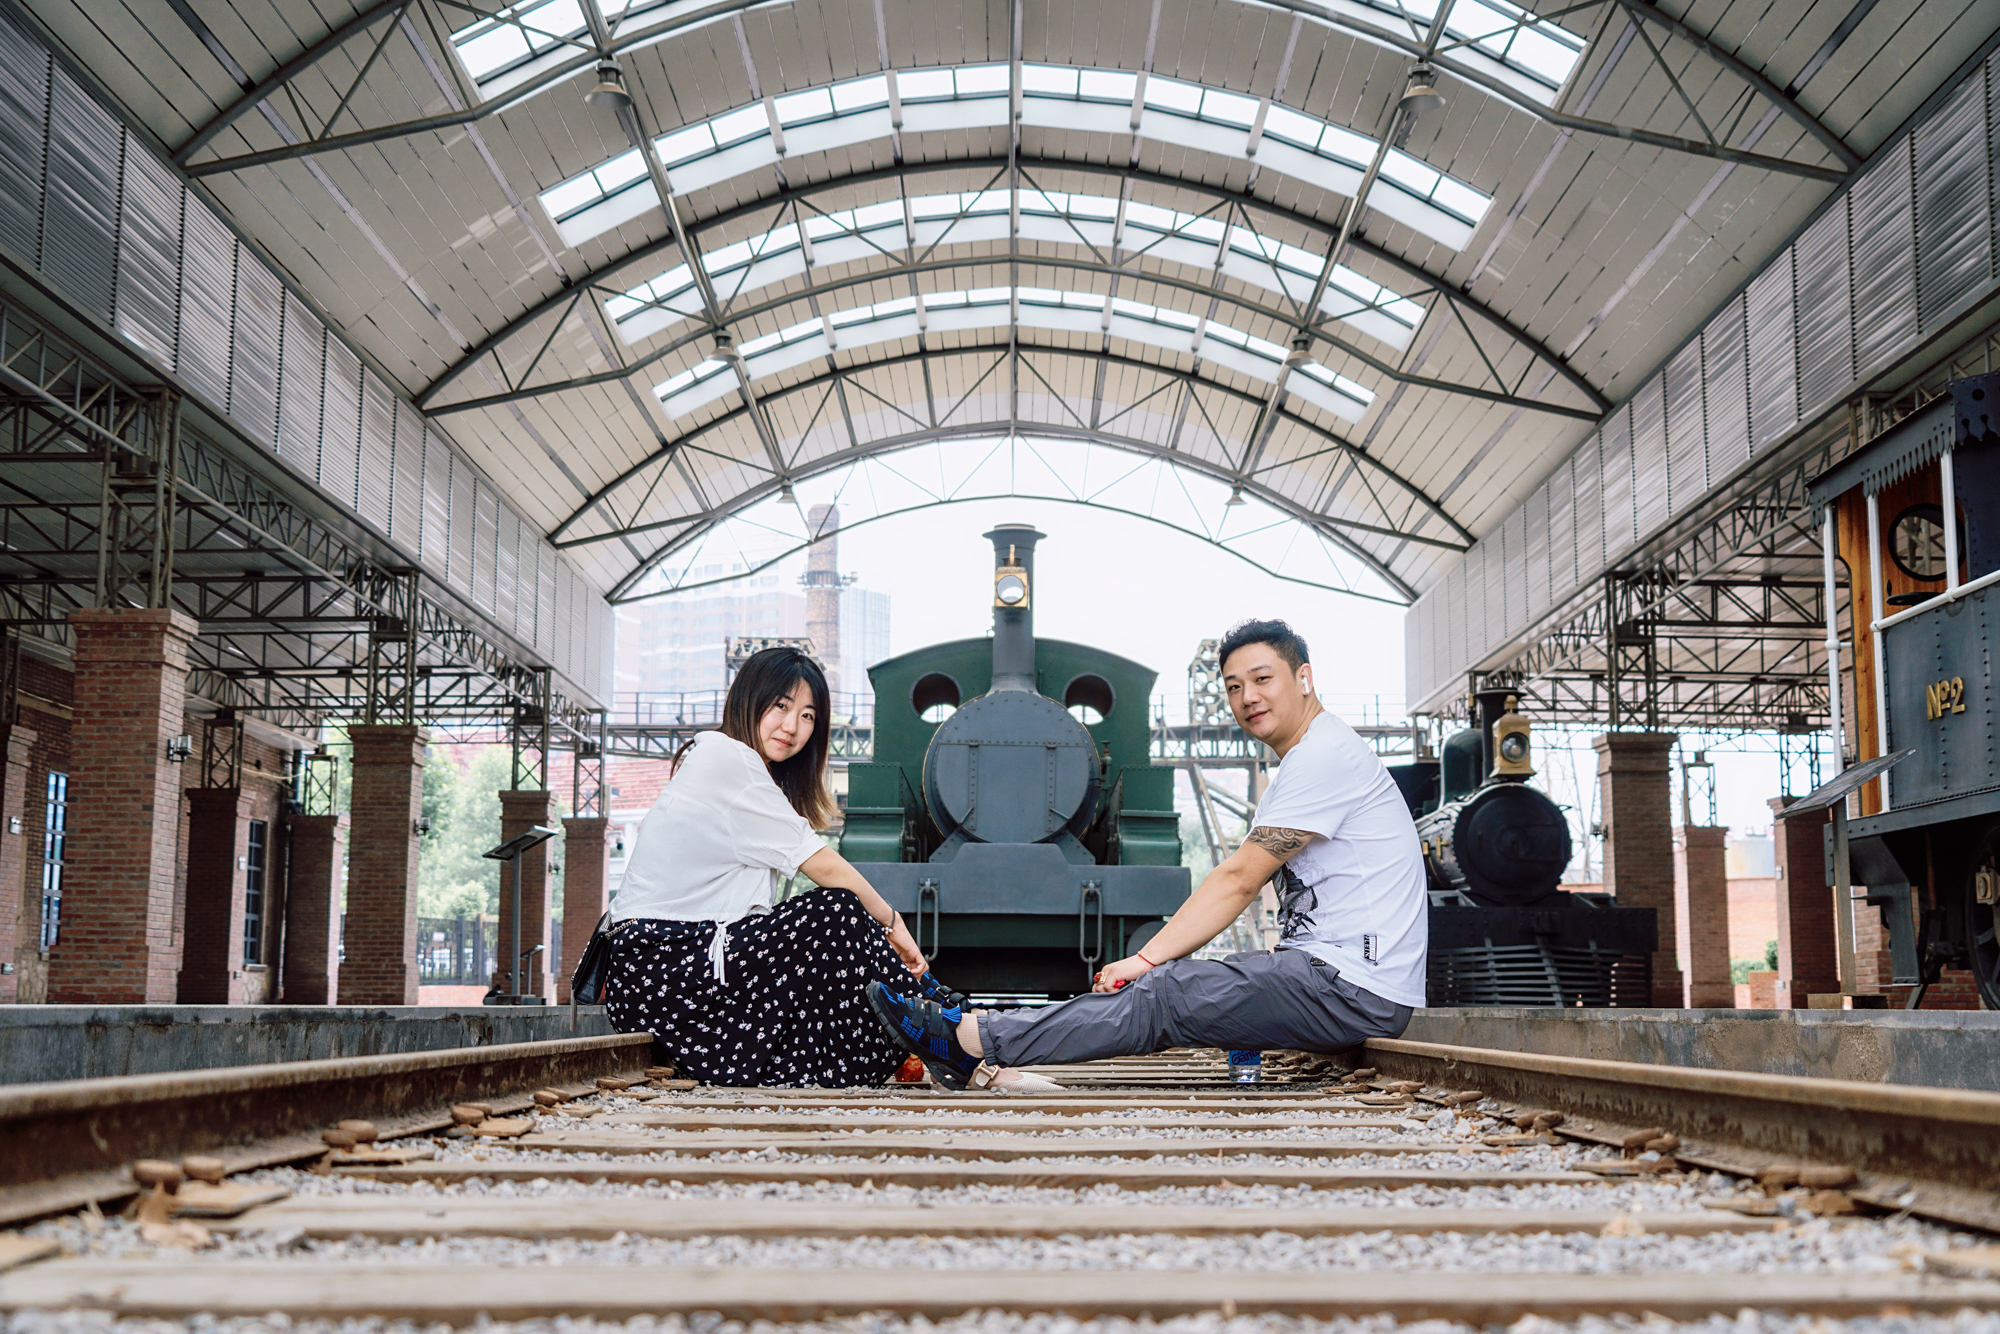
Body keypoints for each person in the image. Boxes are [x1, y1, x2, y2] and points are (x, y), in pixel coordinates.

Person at [866, 618, 1427, 1089]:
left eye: (1262, 679)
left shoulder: (1324, 755)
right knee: (1177, 987)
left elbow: (1239, 879)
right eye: (1233, 687)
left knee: (1165, 993)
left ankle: (972, 1040)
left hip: (1352, 987)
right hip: (1336, 977)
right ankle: (981, 1026)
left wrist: (1145, 959)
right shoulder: (1315, 756)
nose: (1247, 698)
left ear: (1303, 677)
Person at [604, 645, 964, 1087]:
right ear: (749, 699)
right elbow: (827, 870)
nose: (792, 727)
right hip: (667, 972)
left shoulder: (731, 764)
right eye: (781, 706)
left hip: (671, 977)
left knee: (824, 980)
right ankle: (951, 1031)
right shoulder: (726, 758)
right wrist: (893, 924)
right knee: (835, 911)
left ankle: (933, 1036)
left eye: (808, 716)